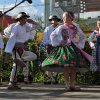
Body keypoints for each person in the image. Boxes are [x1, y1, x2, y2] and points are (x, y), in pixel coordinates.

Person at [42, 11, 92, 91]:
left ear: (71, 18)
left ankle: (72, 84)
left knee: (73, 67)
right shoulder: (61, 27)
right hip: (64, 48)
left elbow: (82, 36)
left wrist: (79, 45)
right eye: (63, 17)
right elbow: (52, 35)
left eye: (66, 17)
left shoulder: (76, 27)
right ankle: (67, 84)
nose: (64, 19)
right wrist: (59, 42)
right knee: (66, 66)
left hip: (73, 48)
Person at [4, 12, 38, 89]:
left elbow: (36, 26)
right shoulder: (15, 27)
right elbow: (9, 35)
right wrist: (10, 49)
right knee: (15, 66)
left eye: (26, 18)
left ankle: (21, 60)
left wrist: (33, 22)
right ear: (19, 19)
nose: (25, 19)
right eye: (24, 18)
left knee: (33, 56)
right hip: (15, 47)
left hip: (22, 47)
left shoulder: (26, 26)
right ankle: (11, 83)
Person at [41, 15, 61, 84]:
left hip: (57, 47)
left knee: (56, 62)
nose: (54, 21)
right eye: (52, 20)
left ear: (57, 21)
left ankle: (55, 78)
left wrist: (57, 43)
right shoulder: (47, 28)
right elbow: (44, 40)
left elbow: (60, 38)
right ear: (50, 21)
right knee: (48, 62)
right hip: (49, 47)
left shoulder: (60, 28)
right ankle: (48, 78)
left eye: (55, 20)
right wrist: (51, 43)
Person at [88, 19, 100, 84]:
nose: (99, 25)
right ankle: (98, 79)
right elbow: (89, 39)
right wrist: (92, 45)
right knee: (97, 64)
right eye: (98, 24)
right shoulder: (96, 32)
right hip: (98, 48)